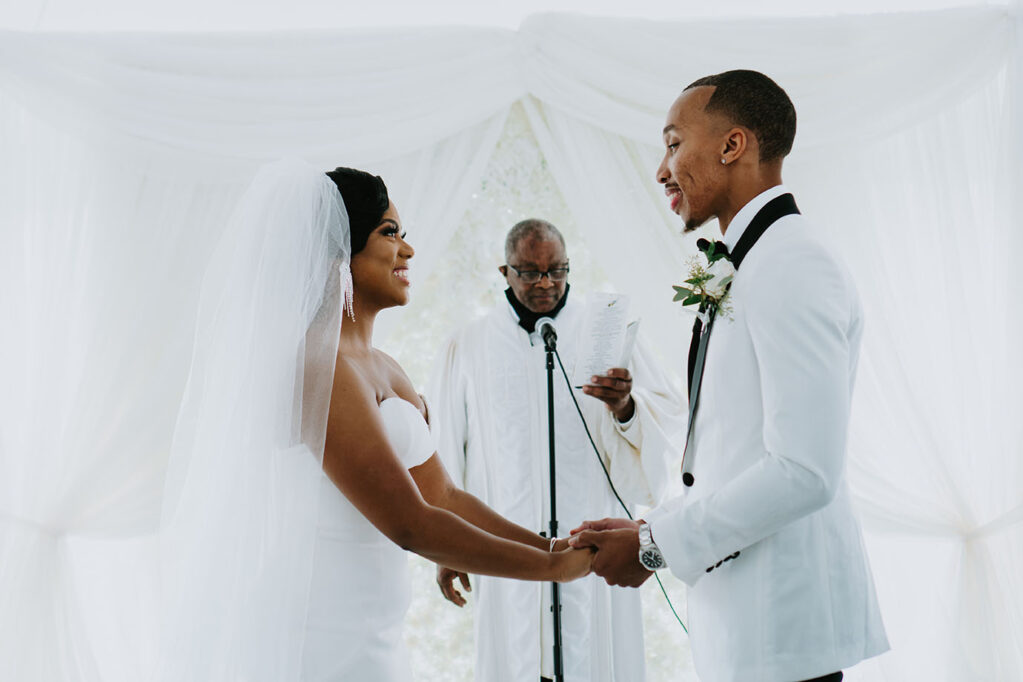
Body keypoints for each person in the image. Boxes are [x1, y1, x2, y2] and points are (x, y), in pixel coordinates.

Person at [158, 161, 591, 682]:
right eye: (389, 233)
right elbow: (411, 523)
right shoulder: (320, 367)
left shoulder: (386, 367)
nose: (407, 249)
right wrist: (552, 571)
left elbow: (445, 498)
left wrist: (552, 546)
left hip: (377, 631)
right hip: (321, 638)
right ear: (339, 253)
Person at [569, 70, 889, 682]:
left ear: (732, 145)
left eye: (672, 144)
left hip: (784, 628)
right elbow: (731, 449)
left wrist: (654, 545)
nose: (661, 171)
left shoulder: (792, 261)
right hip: (747, 627)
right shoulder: (755, 260)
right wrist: (649, 526)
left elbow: (805, 470)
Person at [428, 219, 685, 682]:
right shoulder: (469, 344)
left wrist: (624, 406)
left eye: (557, 270)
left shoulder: (606, 331)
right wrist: (448, 546)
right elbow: (445, 453)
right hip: (504, 540)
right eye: (529, 272)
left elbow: (665, 416)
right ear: (504, 271)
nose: (545, 283)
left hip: (591, 539)